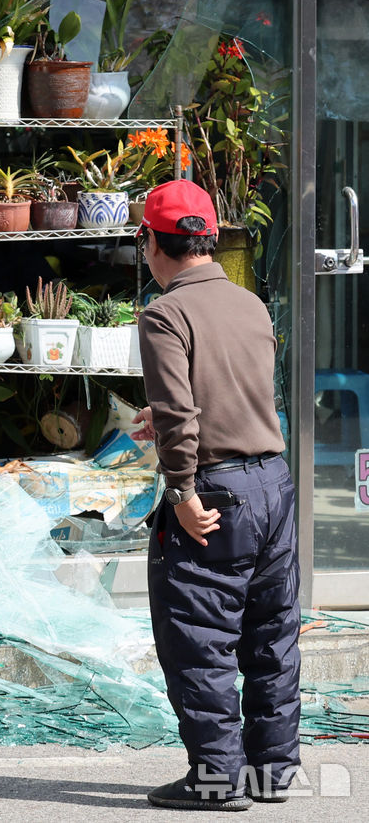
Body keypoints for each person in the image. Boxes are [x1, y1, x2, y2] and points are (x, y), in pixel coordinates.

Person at [131, 179, 300, 812]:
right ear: (208, 238)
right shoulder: (250, 304)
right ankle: (274, 771)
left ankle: (217, 779)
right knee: (271, 634)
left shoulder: (164, 313)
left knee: (200, 639)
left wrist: (178, 489)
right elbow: (241, 388)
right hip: (272, 483)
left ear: (153, 242)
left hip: (216, 492)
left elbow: (179, 414)